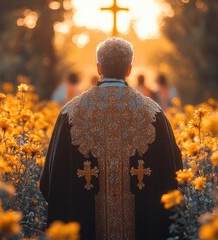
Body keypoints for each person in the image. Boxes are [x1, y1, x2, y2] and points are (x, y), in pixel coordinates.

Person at [40, 37, 182, 240]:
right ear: (129, 69)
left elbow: (51, 184)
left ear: (98, 68)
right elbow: (173, 174)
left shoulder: (70, 113)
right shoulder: (153, 113)